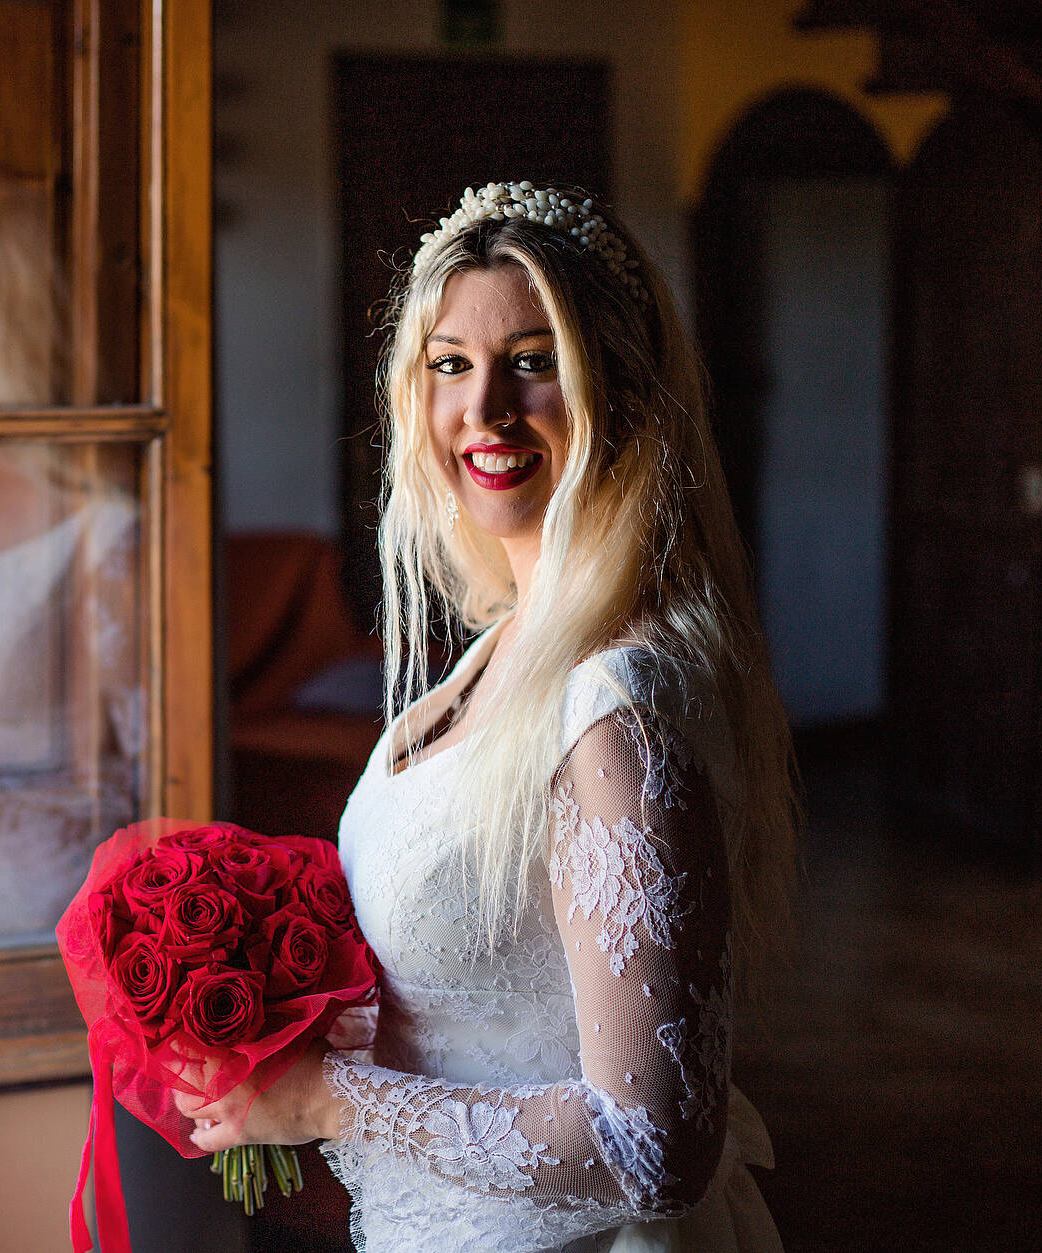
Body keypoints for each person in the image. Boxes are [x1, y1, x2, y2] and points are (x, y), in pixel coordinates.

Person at [175, 182, 797, 1252]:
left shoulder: (617, 702)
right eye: (450, 365)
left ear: (625, 389)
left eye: (533, 359)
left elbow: (655, 1143)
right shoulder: (500, 645)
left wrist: (333, 1100)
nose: (484, 411)